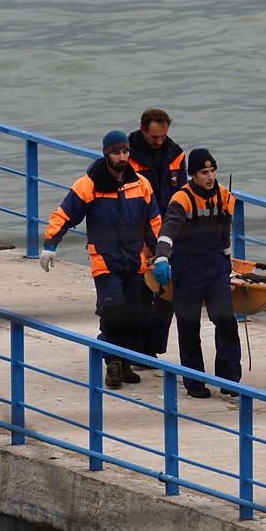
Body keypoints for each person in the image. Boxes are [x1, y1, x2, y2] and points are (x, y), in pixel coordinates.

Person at [39, 130, 162, 389]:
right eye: (116, 152)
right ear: (107, 153)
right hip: (105, 260)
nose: (121, 157)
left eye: (125, 152)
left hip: (135, 260)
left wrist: (161, 254)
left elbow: (154, 223)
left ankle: (125, 359)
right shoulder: (89, 184)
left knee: (136, 314)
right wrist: (51, 244)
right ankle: (113, 363)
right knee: (113, 309)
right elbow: (64, 214)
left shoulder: (141, 184)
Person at [152, 148, 242, 399]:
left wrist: (228, 263)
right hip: (187, 268)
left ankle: (230, 379)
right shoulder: (181, 199)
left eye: (213, 171)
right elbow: (168, 230)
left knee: (226, 321)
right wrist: (161, 257)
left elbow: (225, 232)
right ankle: (195, 382)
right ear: (193, 175)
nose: (210, 176)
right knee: (189, 326)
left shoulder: (225, 196)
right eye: (204, 172)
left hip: (215, 268)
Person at [128, 108, 187, 367]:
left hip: (169, 231)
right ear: (143, 130)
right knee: (139, 293)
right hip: (138, 232)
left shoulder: (176, 155)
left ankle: (151, 349)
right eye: (154, 137)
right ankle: (136, 349)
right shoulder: (127, 156)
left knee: (167, 293)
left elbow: (183, 194)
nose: (159, 141)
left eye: (163, 136)